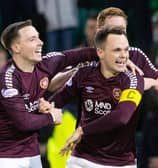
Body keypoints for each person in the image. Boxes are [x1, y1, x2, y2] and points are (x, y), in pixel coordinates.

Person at [39, 26, 152, 168]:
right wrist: (47, 107)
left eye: (126, 50)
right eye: (117, 50)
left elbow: (121, 117)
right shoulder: (84, 73)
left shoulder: (133, 80)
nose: (124, 55)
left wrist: (82, 130)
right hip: (82, 158)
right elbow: (59, 99)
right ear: (100, 52)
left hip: (119, 163)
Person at [0, 19, 100, 168]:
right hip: (7, 157)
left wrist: (122, 56)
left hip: (32, 154)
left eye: (39, 37)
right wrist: (51, 116)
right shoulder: (8, 80)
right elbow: (24, 122)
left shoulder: (45, 63)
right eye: (32, 39)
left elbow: (82, 54)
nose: (40, 42)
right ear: (16, 47)